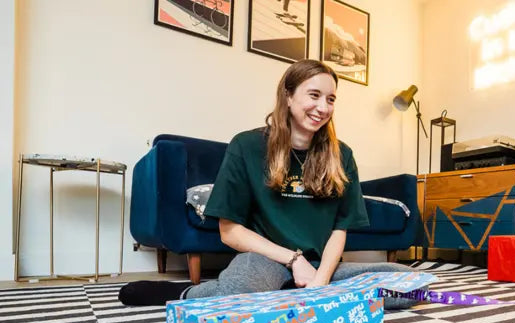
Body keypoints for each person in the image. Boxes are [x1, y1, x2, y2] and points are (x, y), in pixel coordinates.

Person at [119, 59, 420, 309]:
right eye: (314, 95)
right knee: (241, 297)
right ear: (288, 97)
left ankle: (288, 295)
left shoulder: (342, 154)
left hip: (321, 267)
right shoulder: (247, 145)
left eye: (330, 99)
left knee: (406, 288)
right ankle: (188, 293)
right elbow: (229, 231)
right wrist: (293, 259)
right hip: (265, 260)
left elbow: (340, 230)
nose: (323, 107)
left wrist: (321, 283)